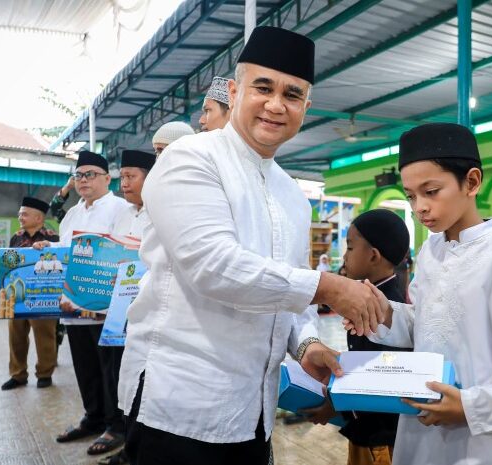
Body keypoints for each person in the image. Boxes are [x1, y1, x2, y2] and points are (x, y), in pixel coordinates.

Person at [118, 26, 383, 465]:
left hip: (253, 411)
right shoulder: (191, 159)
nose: (276, 105)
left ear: (306, 107)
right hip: (180, 407)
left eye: (292, 95)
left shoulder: (292, 196)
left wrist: (306, 345)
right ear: (235, 90)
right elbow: (214, 266)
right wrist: (330, 287)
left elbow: (285, 292)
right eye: (264, 87)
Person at [351, 123, 492, 465]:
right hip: (423, 421)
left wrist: (470, 406)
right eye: (411, 195)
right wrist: (381, 312)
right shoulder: (431, 251)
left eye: (431, 191)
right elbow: (426, 325)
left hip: (483, 435)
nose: (419, 207)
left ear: (472, 182)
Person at [33, 150, 128, 455]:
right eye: (78, 175)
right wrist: (50, 247)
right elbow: (66, 249)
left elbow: (122, 252)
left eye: (90, 174)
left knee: (109, 368)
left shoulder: (120, 208)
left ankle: (116, 425)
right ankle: (93, 417)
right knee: (84, 365)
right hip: (73, 306)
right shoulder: (73, 213)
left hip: (104, 308)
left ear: (107, 179)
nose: (83, 180)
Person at [306, 209, 412, 465]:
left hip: (380, 439)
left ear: (373, 255)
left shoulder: (388, 310)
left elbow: (379, 380)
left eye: (350, 248)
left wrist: (337, 403)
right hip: (366, 431)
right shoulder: (371, 299)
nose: (344, 256)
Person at [97, 149, 155, 465]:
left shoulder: (160, 213)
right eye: (122, 177)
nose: (124, 184)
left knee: (143, 384)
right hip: (116, 312)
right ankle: (125, 440)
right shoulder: (122, 214)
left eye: (131, 177)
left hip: (146, 312)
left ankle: (137, 448)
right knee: (119, 376)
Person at [1, 197, 59, 391]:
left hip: (43, 297)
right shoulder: (16, 237)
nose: (20, 217)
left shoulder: (52, 238)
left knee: (45, 337)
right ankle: (18, 375)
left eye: (24, 214)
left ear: (38, 217)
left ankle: (45, 373)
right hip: (16, 296)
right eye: (19, 213)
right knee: (16, 337)